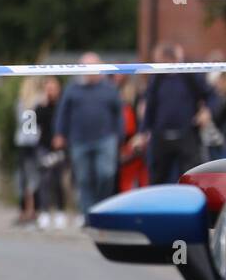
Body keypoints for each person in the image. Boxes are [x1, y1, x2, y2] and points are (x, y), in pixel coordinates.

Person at [53, 52, 123, 222]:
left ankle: (101, 207)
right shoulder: (72, 89)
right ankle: (88, 216)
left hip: (105, 139)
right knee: (84, 179)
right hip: (79, 140)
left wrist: (119, 138)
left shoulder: (109, 88)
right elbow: (63, 113)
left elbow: (118, 115)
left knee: (106, 174)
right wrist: (59, 133)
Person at [135, 42, 212, 184]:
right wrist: (142, 131)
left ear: (168, 58)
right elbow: (150, 106)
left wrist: (206, 111)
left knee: (190, 177)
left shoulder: (190, 75)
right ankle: (158, 205)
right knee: (158, 178)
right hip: (161, 136)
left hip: (187, 134)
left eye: (159, 60)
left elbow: (210, 94)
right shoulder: (157, 79)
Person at [35, 77, 68, 230]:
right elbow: (29, 127)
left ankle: (61, 212)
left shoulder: (64, 106)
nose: (51, 92)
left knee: (58, 180)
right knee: (44, 180)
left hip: (60, 149)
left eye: (53, 88)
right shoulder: (40, 107)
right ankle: (44, 212)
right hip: (44, 147)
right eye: (48, 88)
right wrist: (40, 106)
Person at [12, 78, 43, 226]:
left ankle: (27, 210)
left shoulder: (21, 103)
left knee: (26, 179)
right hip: (32, 143)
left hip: (24, 143)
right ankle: (31, 210)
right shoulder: (37, 102)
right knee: (31, 178)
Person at [115, 75, 149, 193]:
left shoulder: (140, 101)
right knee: (127, 180)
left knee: (143, 177)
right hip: (126, 146)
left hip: (137, 145)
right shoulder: (123, 107)